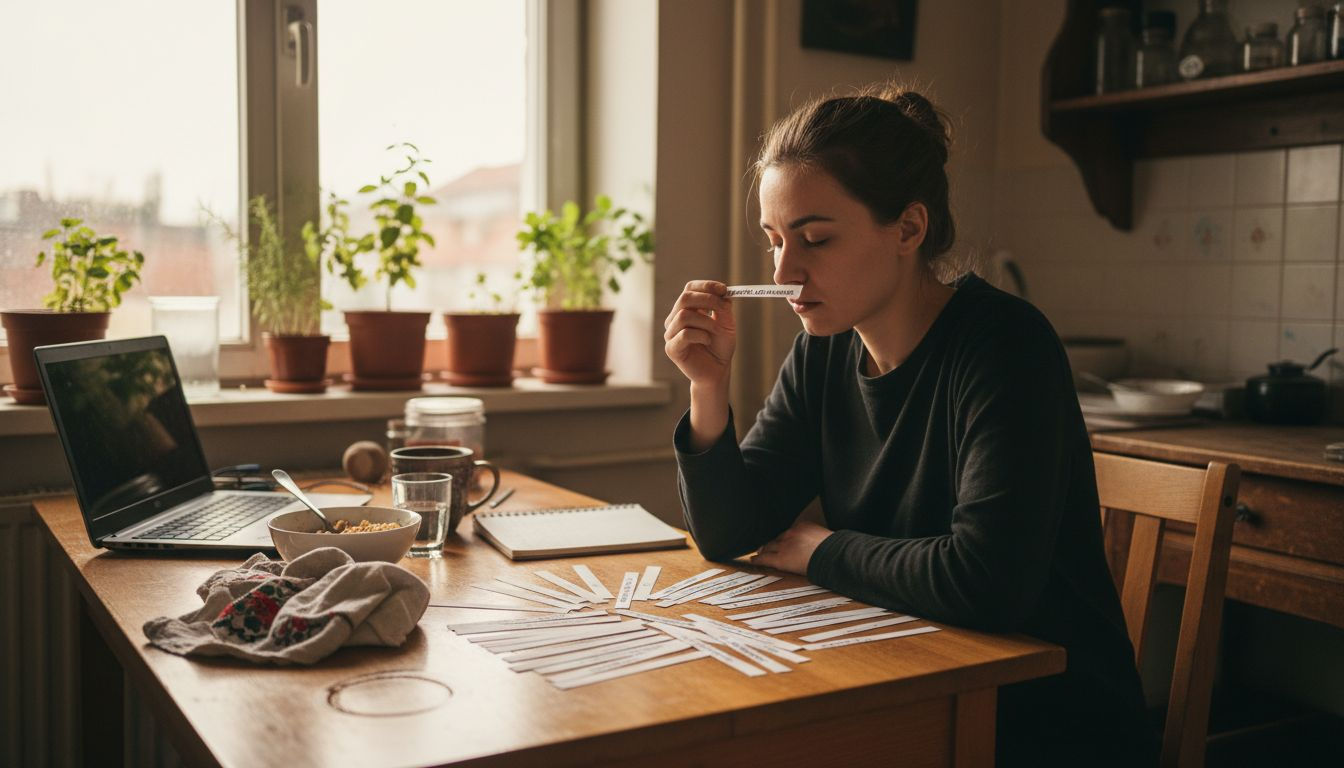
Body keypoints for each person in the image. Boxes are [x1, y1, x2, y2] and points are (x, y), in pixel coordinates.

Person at [665, 84, 1155, 766]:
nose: (785, 272)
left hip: (1045, 722)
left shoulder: (1005, 345)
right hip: (909, 678)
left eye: (815, 238)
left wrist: (820, 552)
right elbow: (727, 532)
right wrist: (707, 387)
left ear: (908, 229)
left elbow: (985, 581)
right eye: (774, 241)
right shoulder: (824, 349)